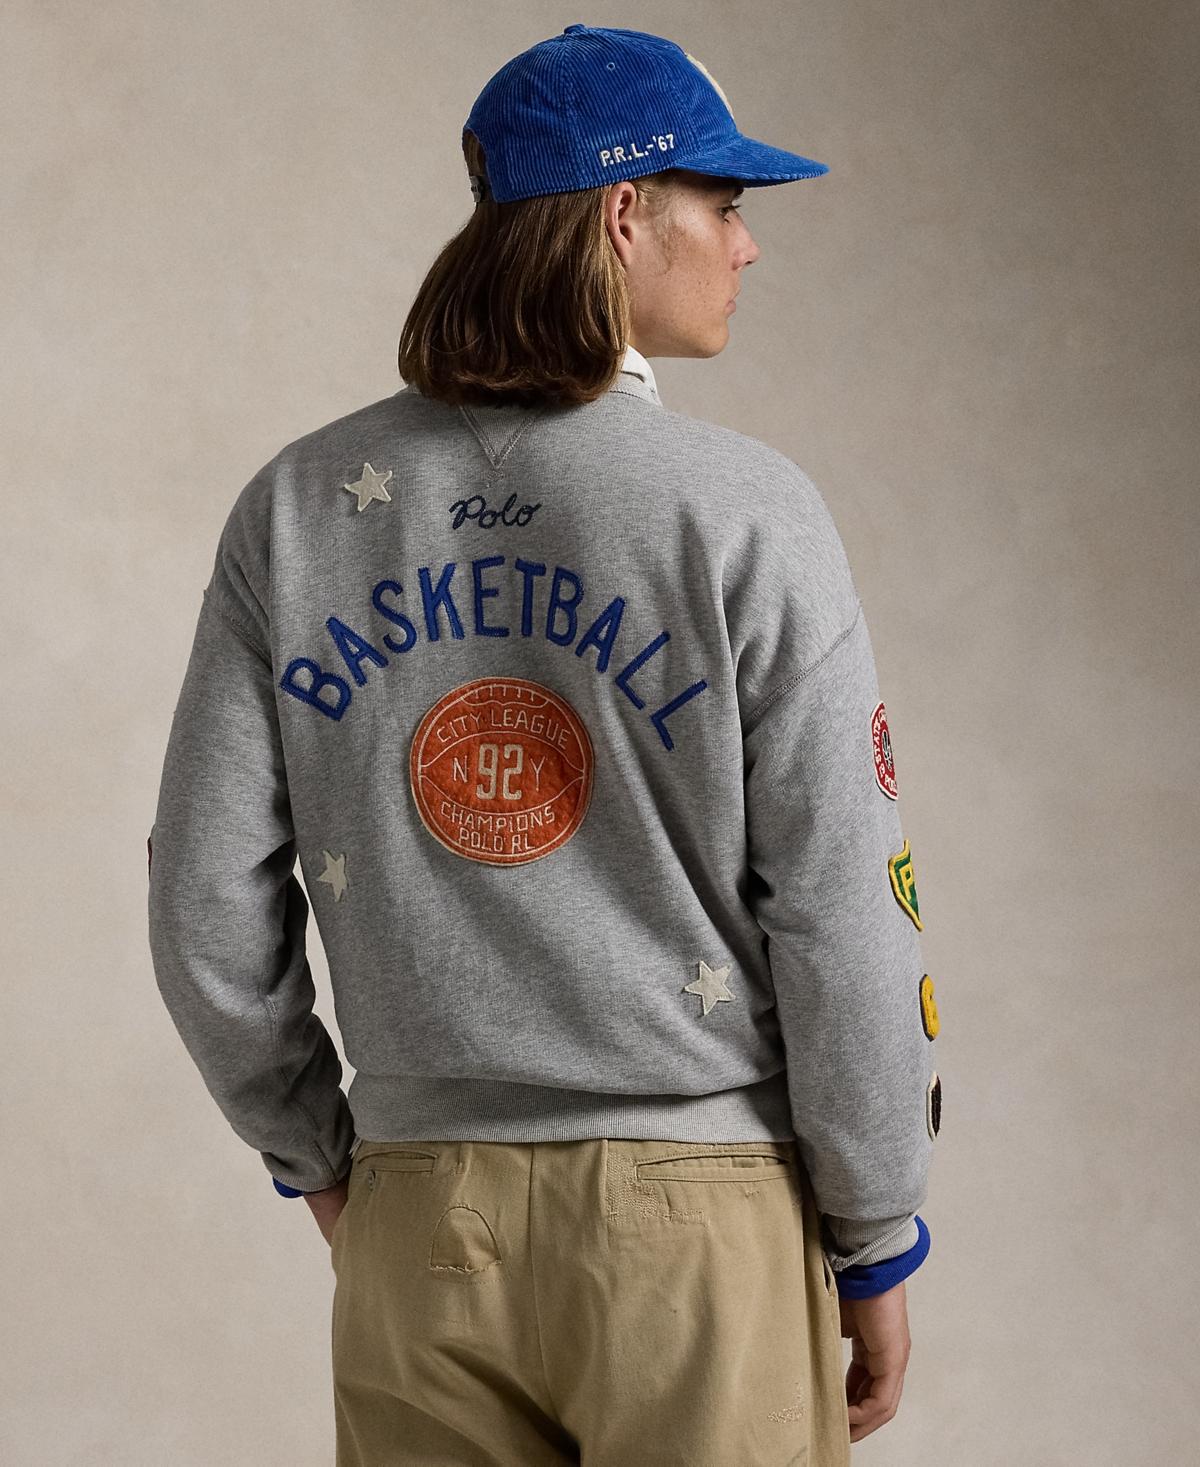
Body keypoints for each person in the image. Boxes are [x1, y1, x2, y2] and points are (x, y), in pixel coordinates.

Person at [147, 22, 941, 1465]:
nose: (748, 245)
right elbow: (840, 903)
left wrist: (324, 1162)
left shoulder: (299, 507)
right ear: (626, 211)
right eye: (725, 203)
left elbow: (202, 898)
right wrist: (876, 1229)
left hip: (418, 1224)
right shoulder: (746, 511)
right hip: (698, 1230)